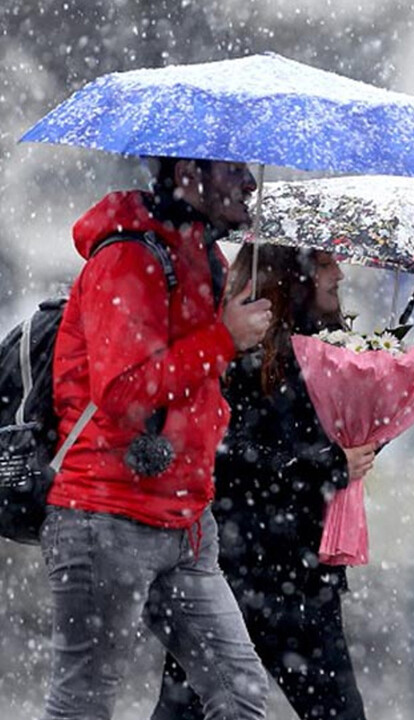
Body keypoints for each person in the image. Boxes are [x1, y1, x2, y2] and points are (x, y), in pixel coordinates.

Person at [43, 157, 274, 719]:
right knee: (84, 703)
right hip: (105, 515)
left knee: (240, 694)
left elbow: (200, 384)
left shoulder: (202, 257)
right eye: (231, 169)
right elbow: (124, 390)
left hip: (186, 522)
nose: (249, 182)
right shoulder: (127, 256)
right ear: (188, 173)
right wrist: (223, 338)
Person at [151, 244, 376, 720]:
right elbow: (233, 458)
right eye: (324, 262)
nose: (339, 272)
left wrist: (367, 435)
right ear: (292, 275)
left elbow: (313, 449)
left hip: (300, 573)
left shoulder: (329, 349)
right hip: (239, 571)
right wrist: (330, 465)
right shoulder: (242, 353)